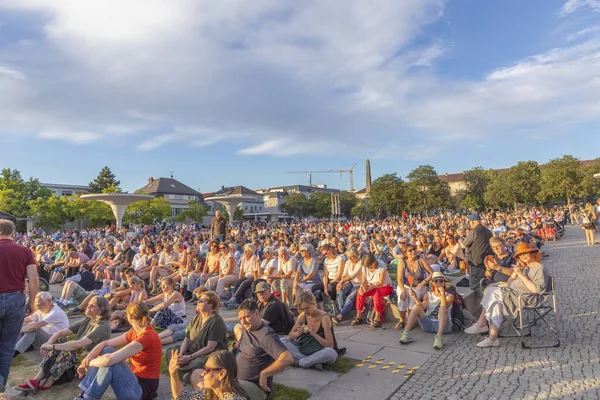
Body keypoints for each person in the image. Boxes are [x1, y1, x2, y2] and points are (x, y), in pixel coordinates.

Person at [16, 296, 111, 392]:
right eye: (88, 304)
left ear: (101, 310)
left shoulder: (102, 326)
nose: (88, 306)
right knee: (61, 343)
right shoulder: (88, 320)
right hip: (81, 353)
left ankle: (48, 383)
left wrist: (52, 346)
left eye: (92, 305)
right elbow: (60, 333)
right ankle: (37, 379)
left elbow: (79, 344)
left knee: (67, 350)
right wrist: (47, 345)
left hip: (92, 358)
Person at [465, 243, 549, 348]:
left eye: (525, 254)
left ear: (533, 253)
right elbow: (510, 283)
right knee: (496, 303)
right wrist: (516, 273)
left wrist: (521, 275)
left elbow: (536, 289)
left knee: (491, 292)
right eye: (520, 256)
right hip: (513, 294)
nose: (522, 257)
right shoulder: (525, 267)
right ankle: (493, 337)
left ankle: (481, 323)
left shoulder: (538, 268)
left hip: (526, 298)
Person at [74, 301, 162, 400]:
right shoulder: (135, 331)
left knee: (110, 363)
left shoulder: (147, 337)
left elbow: (109, 360)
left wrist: (88, 363)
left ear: (130, 317)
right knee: (108, 349)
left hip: (141, 393)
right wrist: (88, 357)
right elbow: (105, 343)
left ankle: (87, 397)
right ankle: (84, 394)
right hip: (133, 382)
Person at [0, 219, 39, 393]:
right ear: (12, 232)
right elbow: (34, 278)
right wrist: (32, 301)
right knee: (8, 346)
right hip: (16, 299)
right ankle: (1, 382)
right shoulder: (24, 251)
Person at [229, 299, 293, 400]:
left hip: (254, 386)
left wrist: (264, 374)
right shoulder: (247, 329)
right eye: (240, 318)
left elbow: (287, 358)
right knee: (200, 376)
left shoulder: (266, 335)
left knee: (226, 391)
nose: (243, 322)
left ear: (257, 313)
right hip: (236, 380)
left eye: (247, 317)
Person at [166, 291, 228, 383]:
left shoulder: (216, 321)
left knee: (198, 363)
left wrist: (190, 357)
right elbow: (187, 338)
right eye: (198, 299)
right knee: (171, 351)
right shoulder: (196, 318)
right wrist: (181, 354)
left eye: (201, 300)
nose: (198, 302)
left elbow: (210, 347)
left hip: (208, 354)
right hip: (192, 351)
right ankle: (185, 372)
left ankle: (185, 373)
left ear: (210, 305)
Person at [282, 292, 338, 370]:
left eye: (307, 308)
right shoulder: (302, 315)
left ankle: (300, 362)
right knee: (282, 340)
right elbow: (290, 336)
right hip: (306, 348)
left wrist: (313, 333)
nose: (305, 311)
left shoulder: (324, 318)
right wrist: (299, 332)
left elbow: (330, 345)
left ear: (313, 303)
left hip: (321, 349)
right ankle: (312, 362)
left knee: (331, 353)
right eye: (302, 309)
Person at [398, 272, 454, 350]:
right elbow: (422, 307)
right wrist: (415, 297)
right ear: (433, 283)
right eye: (436, 281)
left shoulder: (450, 296)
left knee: (442, 308)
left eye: (441, 281)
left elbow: (445, 306)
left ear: (444, 282)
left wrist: (442, 293)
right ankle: (406, 333)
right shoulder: (428, 294)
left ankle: (439, 337)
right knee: (416, 307)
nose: (438, 283)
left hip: (444, 326)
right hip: (428, 324)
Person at [169, 349, 249, 400]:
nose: (203, 373)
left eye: (207, 370)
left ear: (221, 374)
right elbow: (183, 398)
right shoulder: (211, 391)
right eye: (204, 369)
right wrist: (173, 374)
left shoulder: (234, 398)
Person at [14, 292, 69, 357]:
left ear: (49, 301)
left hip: (57, 340)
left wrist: (17, 330)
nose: (38, 307)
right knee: (21, 325)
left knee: (34, 330)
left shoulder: (56, 312)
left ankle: (13, 354)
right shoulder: (41, 310)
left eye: (40, 304)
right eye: (36, 305)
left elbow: (35, 327)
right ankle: (10, 345)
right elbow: (25, 321)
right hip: (47, 338)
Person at [395, 244, 434, 329]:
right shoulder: (402, 261)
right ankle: (402, 320)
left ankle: (410, 321)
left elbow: (432, 273)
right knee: (402, 298)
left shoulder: (420, 260)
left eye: (413, 249)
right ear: (405, 253)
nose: (413, 251)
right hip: (405, 285)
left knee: (413, 296)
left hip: (418, 285)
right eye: (410, 250)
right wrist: (403, 291)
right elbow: (399, 279)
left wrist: (423, 282)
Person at [352, 253, 394, 328]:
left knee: (376, 293)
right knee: (360, 292)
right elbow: (364, 281)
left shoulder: (382, 265)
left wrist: (369, 288)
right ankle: (359, 316)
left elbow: (381, 283)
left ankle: (377, 318)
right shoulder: (364, 267)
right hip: (372, 286)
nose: (371, 267)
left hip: (385, 286)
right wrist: (363, 286)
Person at [461, 213, 494, 296]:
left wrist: (460, 241)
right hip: (487, 261)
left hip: (477, 262)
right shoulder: (488, 231)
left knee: (475, 285)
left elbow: (464, 244)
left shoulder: (474, 231)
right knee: (485, 282)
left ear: (472, 222)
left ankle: (487, 301)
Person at [333, 248, 362, 324]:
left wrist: (341, 281)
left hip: (360, 284)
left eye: (352, 256)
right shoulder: (348, 262)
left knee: (351, 296)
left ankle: (341, 315)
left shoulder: (360, 263)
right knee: (340, 290)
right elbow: (344, 274)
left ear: (356, 256)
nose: (350, 258)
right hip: (351, 282)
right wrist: (341, 283)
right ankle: (342, 311)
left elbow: (353, 275)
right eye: (349, 257)